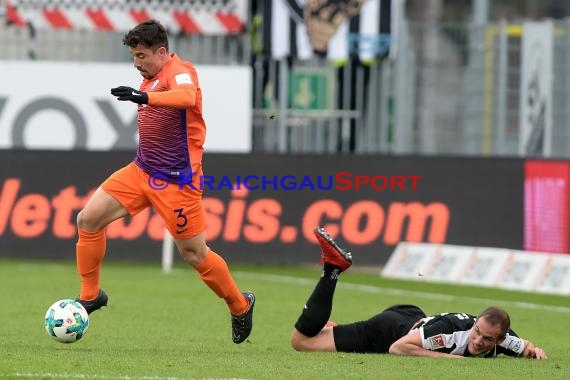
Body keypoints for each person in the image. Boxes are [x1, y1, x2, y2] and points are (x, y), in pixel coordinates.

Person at [73, 20, 254, 344]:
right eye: (133, 57)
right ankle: (91, 295)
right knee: (87, 220)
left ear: (161, 52)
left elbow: (185, 97)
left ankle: (240, 305)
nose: (136, 63)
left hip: (177, 182)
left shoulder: (180, 70)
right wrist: (144, 95)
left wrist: (144, 100)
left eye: (141, 56)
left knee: (194, 254)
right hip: (141, 171)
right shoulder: (150, 78)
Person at [291, 227, 547, 359]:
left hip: (412, 318)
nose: (478, 341)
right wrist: (458, 362)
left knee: (318, 335)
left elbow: (526, 348)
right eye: (477, 332)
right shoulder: (451, 331)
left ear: (500, 340)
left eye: (488, 340)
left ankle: (330, 328)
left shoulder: (504, 340)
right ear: (475, 322)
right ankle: (333, 269)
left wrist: (536, 351)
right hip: (388, 332)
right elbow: (397, 349)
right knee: (301, 342)